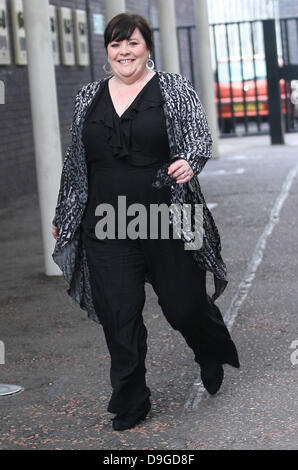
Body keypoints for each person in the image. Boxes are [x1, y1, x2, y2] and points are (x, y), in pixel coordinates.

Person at [51, 13, 240, 432]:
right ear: (107, 51)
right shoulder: (88, 97)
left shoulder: (173, 88)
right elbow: (75, 163)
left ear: (147, 47)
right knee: (119, 316)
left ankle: (209, 350)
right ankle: (131, 399)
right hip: (105, 221)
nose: (124, 52)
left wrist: (190, 164)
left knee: (184, 305)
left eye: (132, 43)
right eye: (116, 45)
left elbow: (198, 137)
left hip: (169, 215)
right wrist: (64, 213)